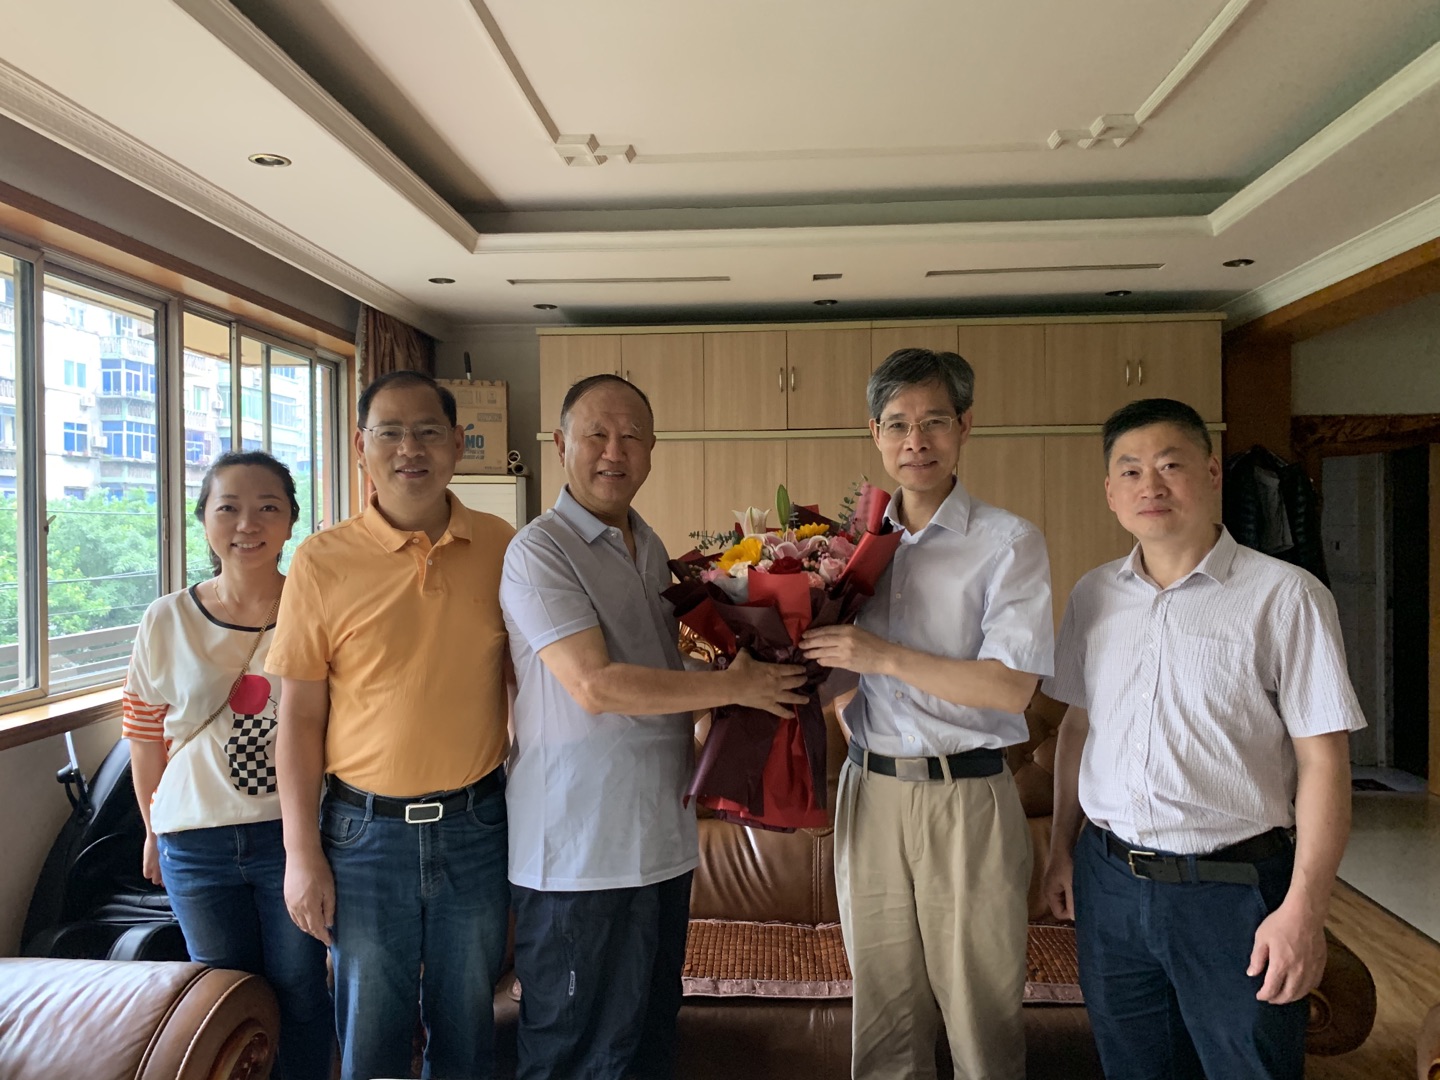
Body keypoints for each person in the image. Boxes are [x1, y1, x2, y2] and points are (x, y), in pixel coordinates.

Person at [1041, 397, 1365, 1080]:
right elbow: (1077, 726)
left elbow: (1324, 763)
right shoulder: (1093, 595)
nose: (1150, 486)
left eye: (1170, 465)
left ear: (1213, 473)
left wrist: (1305, 909)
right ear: (1110, 492)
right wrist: (1060, 851)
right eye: (1130, 471)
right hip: (1110, 882)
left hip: (1234, 890)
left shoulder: (1286, 596)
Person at [500, 373, 807, 1080]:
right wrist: (735, 686)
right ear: (561, 446)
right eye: (596, 435)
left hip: (662, 846)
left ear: (652, 449)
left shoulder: (648, 546)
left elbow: (665, 674)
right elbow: (596, 685)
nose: (615, 451)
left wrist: (765, 672)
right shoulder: (539, 551)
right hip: (577, 859)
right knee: (571, 1056)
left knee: (645, 1047)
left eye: (631, 436)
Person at [800, 348, 1053, 1080]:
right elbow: (828, 655)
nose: (916, 441)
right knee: (882, 1015)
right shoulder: (847, 547)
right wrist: (837, 693)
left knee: (980, 1018)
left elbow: (1010, 688)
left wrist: (880, 656)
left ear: (965, 427)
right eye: (898, 424)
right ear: (874, 433)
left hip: (965, 795)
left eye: (934, 422)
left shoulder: (1008, 543)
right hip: (869, 793)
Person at [267, 370, 515, 1080]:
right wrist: (300, 853)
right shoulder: (321, 561)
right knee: (371, 1039)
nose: (411, 449)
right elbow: (299, 719)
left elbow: (527, 683)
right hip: (363, 836)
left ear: (457, 444)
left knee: (468, 1034)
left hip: (477, 826)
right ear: (361, 447)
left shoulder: (502, 545)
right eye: (391, 433)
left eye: (428, 431)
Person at [123, 450, 331, 1080]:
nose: (248, 523)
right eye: (229, 508)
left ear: (291, 520)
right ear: (204, 519)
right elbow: (144, 735)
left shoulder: (319, 608)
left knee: (301, 991)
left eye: (268, 507)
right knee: (225, 1000)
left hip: (292, 836)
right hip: (195, 843)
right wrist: (153, 829)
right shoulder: (166, 618)